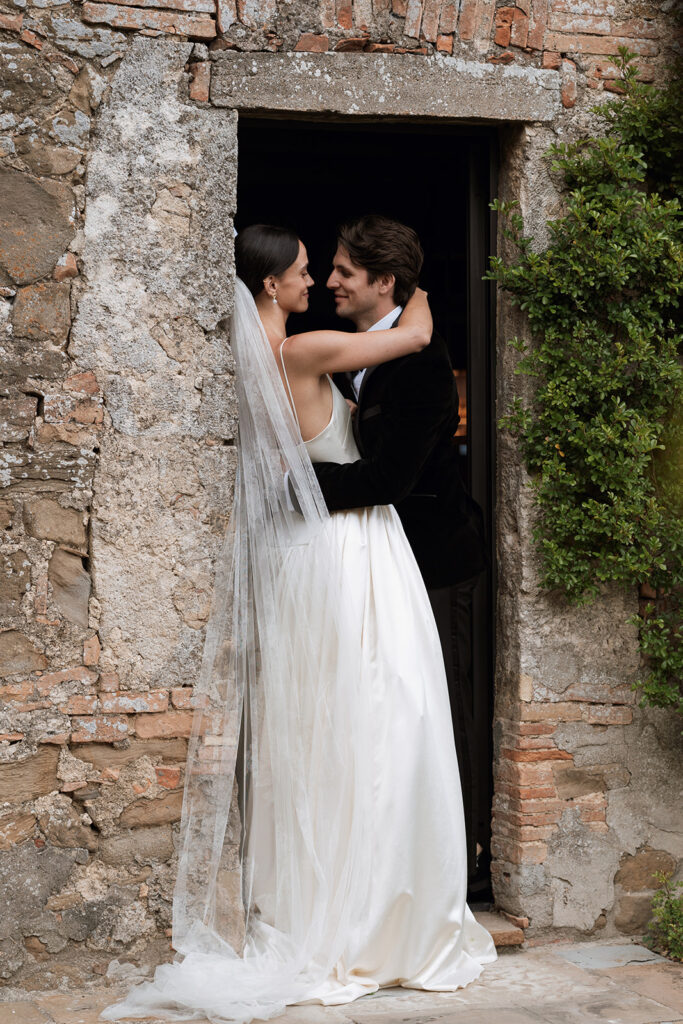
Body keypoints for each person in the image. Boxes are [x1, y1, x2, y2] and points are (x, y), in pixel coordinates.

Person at [102, 225, 495, 1024]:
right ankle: (378, 907)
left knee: (317, 725)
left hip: (298, 556)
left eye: (335, 271)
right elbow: (416, 336)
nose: (318, 281)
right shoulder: (303, 350)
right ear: (272, 287)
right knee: (380, 712)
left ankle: (316, 900)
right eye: (309, 272)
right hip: (347, 553)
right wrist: (419, 296)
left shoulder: (257, 357)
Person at [316, 213, 489, 881]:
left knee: (441, 712)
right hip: (375, 565)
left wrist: (291, 483)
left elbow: (390, 478)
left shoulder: (422, 364)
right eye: (329, 269)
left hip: (435, 560)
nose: (331, 282)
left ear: (383, 283)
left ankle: (465, 862)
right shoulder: (352, 349)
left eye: (344, 273)